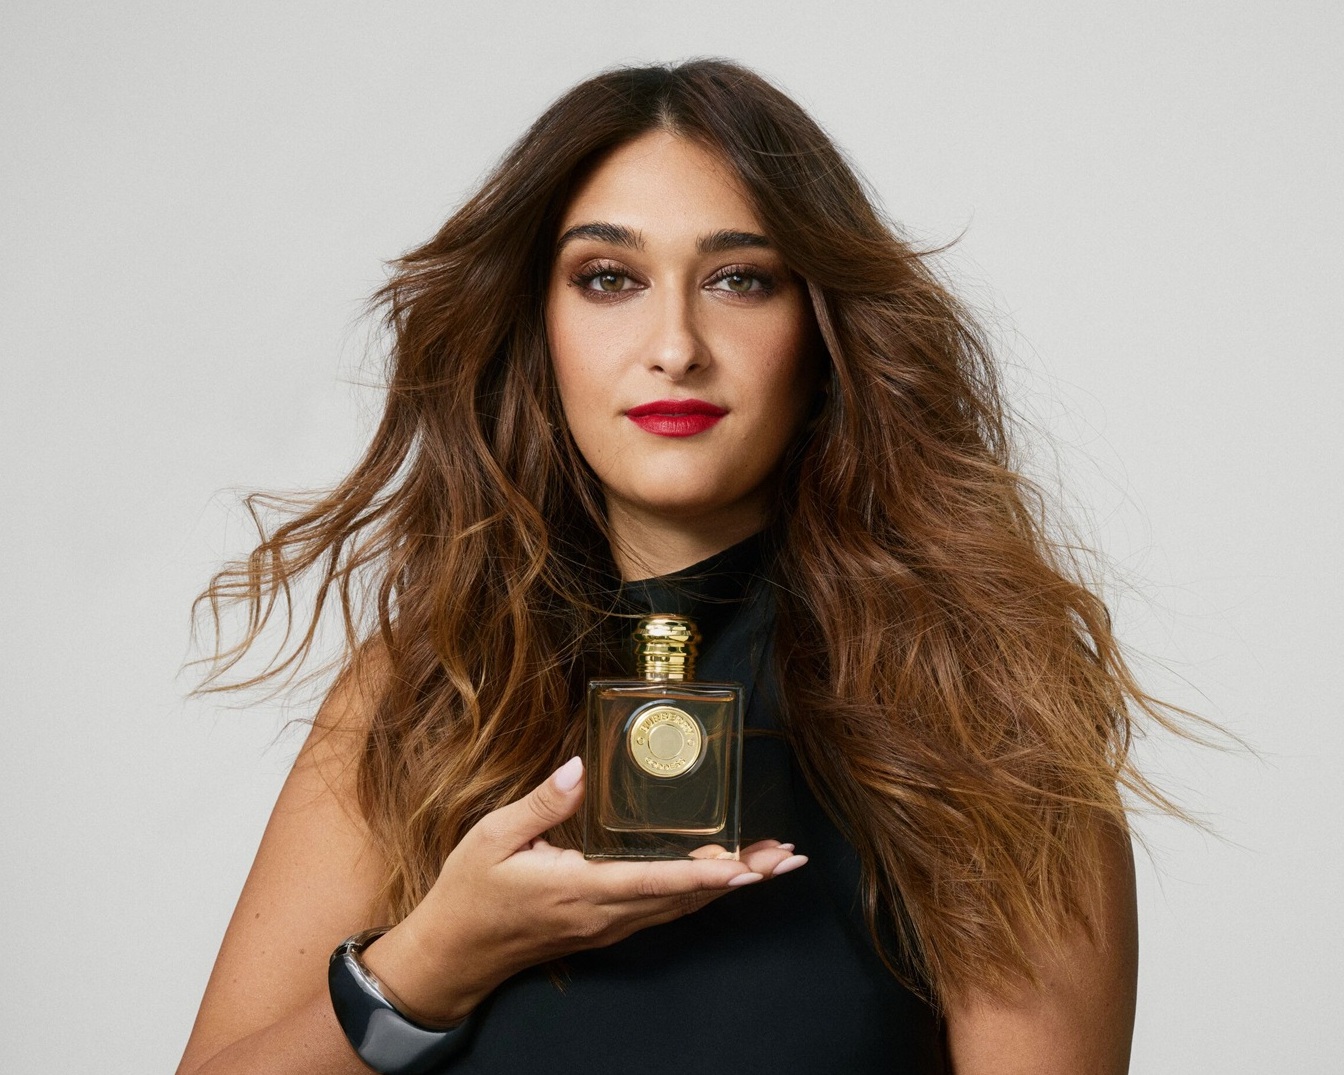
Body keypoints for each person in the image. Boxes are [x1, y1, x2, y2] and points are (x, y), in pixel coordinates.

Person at [177, 60, 1162, 1074]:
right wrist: (438, 957)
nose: (676, 345)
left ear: (821, 328)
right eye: (610, 278)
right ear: (537, 325)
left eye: (741, 278)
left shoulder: (980, 712)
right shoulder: (426, 692)